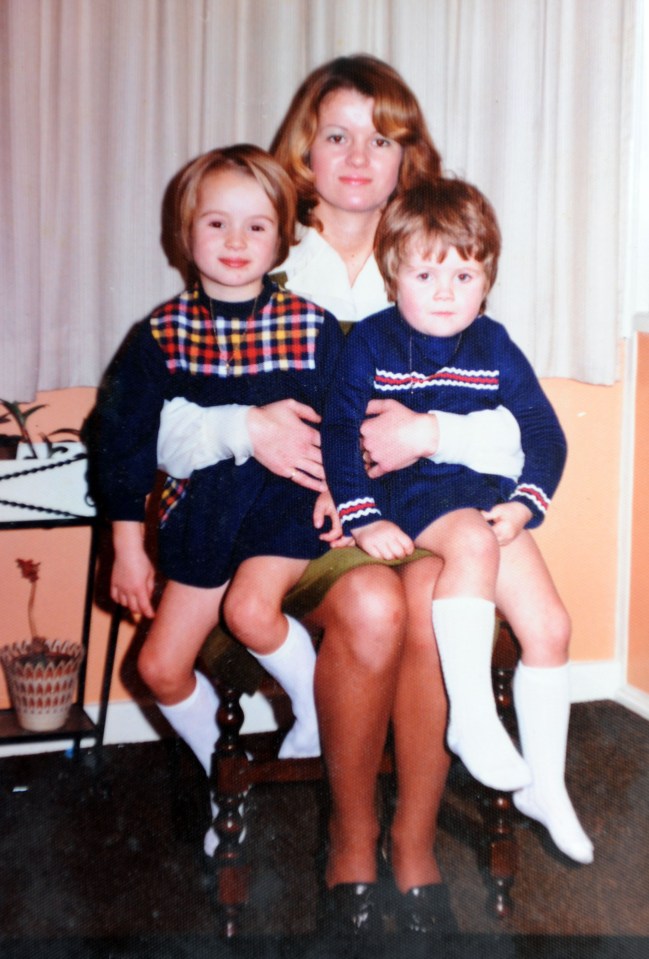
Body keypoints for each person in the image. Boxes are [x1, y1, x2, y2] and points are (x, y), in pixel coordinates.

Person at [156, 55, 525, 934]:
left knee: (433, 593)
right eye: (336, 135)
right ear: (304, 151)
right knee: (368, 604)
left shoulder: (437, 254)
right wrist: (254, 430)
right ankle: (352, 845)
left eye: (383, 138)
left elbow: (513, 423)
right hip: (304, 523)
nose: (359, 156)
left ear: (409, 158)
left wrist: (429, 433)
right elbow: (180, 412)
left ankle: (416, 841)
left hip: (427, 510)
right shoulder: (264, 254)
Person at [322, 177, 593, 864]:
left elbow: (543, 430)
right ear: (393, 276)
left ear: (486, 279)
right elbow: (338, 432)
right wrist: (358, 517)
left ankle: (547, 786)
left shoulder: (492, 343)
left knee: (551, 627)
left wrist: (526, 500)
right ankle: (471, 717)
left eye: (463, 273)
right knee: (470, 538)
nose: (445, 291)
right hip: (409, 493)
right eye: (425, 272)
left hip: (481, 491)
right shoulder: (373, 344)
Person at [95, 145, 347, 788]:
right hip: (203, 518)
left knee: (251, 611)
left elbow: (347, 422)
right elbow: (124, 442)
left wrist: (346, 495)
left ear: (283, 238)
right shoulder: (160, 334)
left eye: (257, 225)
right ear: (186, 232)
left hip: (284, 506)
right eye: (216, 223)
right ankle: (222, 774)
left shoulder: (312, 327)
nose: (236, 240)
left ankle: (320, 713)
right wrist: (127, 547)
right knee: (157, 666)